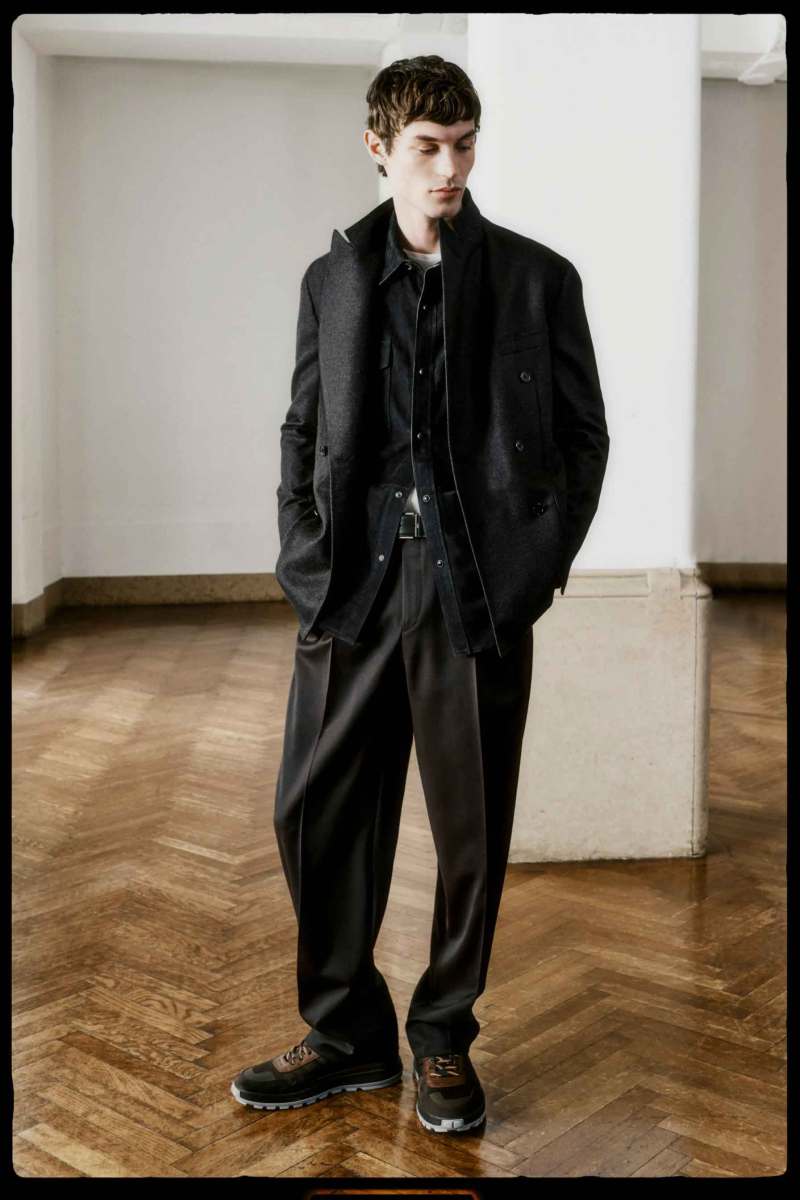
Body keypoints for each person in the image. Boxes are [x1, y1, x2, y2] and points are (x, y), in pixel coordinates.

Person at [231, 55, 610, 1135]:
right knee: (311, 810)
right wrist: (304, 559)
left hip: (474, 594)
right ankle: (346, 1033)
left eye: (464, 145)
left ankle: (442, 1034)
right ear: (378, 149)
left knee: (469, 829)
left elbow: (582, 438)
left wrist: (534, 567)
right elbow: (303, 426)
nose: (450, 169)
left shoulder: (537, 279)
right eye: (427, 149)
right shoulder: (334, 278)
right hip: (351, 590)